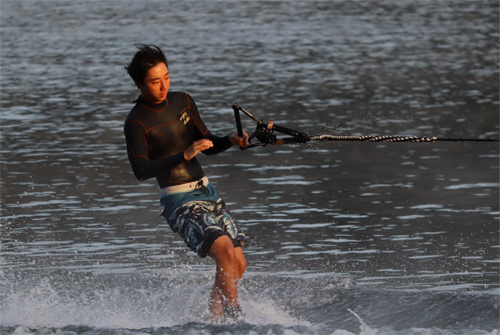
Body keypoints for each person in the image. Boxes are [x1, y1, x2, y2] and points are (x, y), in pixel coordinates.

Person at [123, 44, 249, 321]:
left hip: (207, 192)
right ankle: (235, 320)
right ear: (139, 83)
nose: (163, 85)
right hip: (179, 200)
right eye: (155, 81)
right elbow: (141, 169)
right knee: (225, 253)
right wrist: (184, 154)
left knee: (238, 262)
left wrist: (229, 140)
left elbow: (208, 141)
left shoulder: (184, 101)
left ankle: (214, 321)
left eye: (166, 77)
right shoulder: (137, 122)